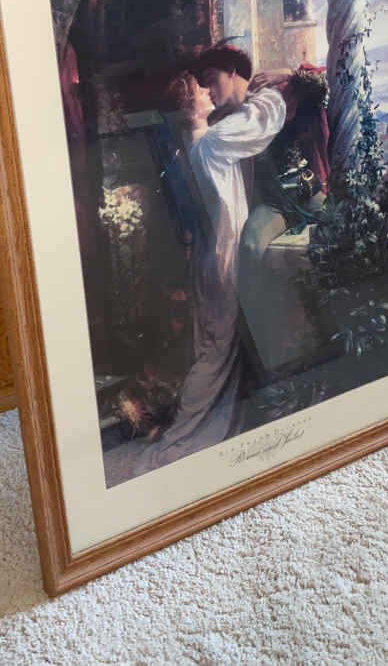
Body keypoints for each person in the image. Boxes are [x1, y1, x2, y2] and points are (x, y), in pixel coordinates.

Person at [102, 66, 285, 486]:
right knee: (216, 351)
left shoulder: (193, 144)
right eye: (199, 90)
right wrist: (268, 87)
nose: (207, 91)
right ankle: (185, 431)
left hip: (207, 258)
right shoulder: (214, 142)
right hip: (221, 259)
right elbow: (265, 119)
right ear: (190, 108)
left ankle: (196, 424)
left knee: (213, 347)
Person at [194, 46, 330, 382]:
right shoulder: (225, 125)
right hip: (274, 207)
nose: (209, 91)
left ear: (232, 71)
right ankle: (264, 353)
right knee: (251, 245)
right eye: (203, 86)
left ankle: (326, 345)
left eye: (212, 80)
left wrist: (287, 73)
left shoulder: (275, 94)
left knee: (337, 233)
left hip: (309, 192)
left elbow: (322, 84)